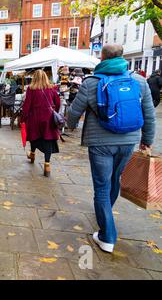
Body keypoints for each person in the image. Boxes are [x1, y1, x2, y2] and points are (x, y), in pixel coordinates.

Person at [67, 44, 156, 253]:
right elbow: (149, 114)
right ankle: (105, 215)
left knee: (101, 187)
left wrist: (69, 126)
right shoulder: (139, 81)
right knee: (114, 180)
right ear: (122, 57)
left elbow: (74, 112)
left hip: (100, 143)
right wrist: (147, 140)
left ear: (103, 57)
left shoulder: (91, 83)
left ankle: (107, 235)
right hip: (128, 141)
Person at [21, 69, 61, 177]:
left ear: (34, 78)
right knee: (48, 139)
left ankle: (32, 154)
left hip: (34, 117)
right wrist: (54, 112)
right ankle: (47, 165)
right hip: (48, 117)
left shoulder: (31, 89)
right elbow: (57, 103)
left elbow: (27, 105)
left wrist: (23, 118)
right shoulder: (51, 88)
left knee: (34, 136)